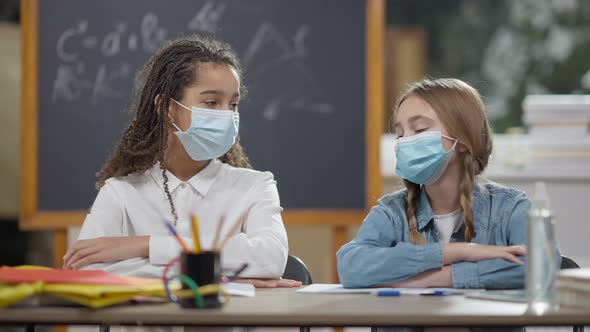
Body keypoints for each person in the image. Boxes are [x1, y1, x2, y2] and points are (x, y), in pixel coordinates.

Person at [63, 35, 300, 288]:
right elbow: (85, 269)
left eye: (233, 104)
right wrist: (216, 277)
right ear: (167, 107)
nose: (227, 115)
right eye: (211, 102)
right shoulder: (120, 192)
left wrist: (144, 245)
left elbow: (270, 258)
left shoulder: (256, 185)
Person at [337, 78, 546, 290]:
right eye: (400, 134)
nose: (405, 142)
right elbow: (351, 266)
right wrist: (457, 252)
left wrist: (437, 278)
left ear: (463, 139)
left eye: (419, 130)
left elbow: (542, 265)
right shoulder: (392, 212)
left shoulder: (509, 208)